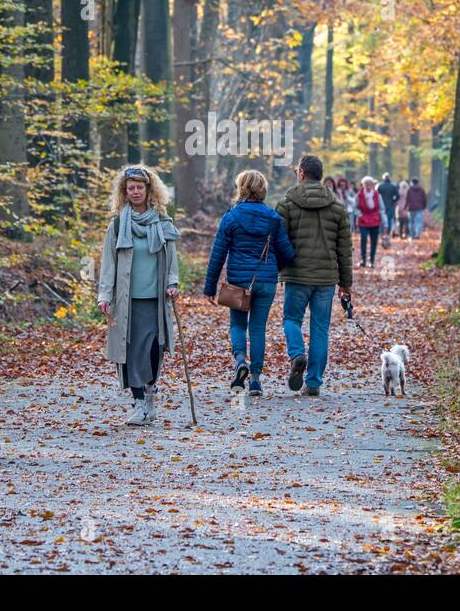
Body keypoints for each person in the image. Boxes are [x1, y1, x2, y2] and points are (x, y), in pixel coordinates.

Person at [96, 166, 180, 427]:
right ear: (125, 191)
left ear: (148, 190)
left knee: (154, 348)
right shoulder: (119, 224)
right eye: (130, 188)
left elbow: (172, 259)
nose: (134, 192)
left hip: (155, 299)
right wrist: (104, 295)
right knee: (130, 351)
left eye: (139, 187)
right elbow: (108, 261)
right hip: (126, 300)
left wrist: (172, 283)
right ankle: (139, 401)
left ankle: (151, 390)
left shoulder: (163, 223)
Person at [203, 170, 296, 398]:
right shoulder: (273, 218)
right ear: (262, 189)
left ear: (241, 188)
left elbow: (218, 254)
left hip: (238, 282)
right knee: (257, 329)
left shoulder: (231, 217)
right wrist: (274, 268)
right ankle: (255, 380)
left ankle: (240, 361)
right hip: (265, 281)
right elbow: (287, 252)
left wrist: (210, 287)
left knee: (237, 325)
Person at [276, 155, 353, 397]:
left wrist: (280, 268)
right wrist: (346, 283)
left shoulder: (287, 204)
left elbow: (279, 241)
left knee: (291, 320)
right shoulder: (337, 207)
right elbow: (344, 249)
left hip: (297, 275)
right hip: (326, 279)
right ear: (321, 175)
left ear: (301, 173)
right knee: (320, 329)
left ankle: (297, 353)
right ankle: (313, 382)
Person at [356, 175, 383, 268]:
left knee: (374, 241)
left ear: (373, 185)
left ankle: (372, 261)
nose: (368, 186)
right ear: (363, 185)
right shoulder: (359, 195)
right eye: (366, 184)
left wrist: (384, 221)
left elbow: (382, 208)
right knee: (363, 240)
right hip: (363, 221)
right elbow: (356, 208)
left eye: (370, 184)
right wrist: (360, 215)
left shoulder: (377, 195)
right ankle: (363, 260)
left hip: (375, 221)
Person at [377, 173, 400, 237]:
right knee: (389, 219)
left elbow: (376, 195)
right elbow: (398, 196)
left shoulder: (380, 186)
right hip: (390, 205)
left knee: (381, 219)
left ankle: (382, 233)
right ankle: (387, 232)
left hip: (381, 205)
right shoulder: (393, 186)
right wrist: (393, 201)